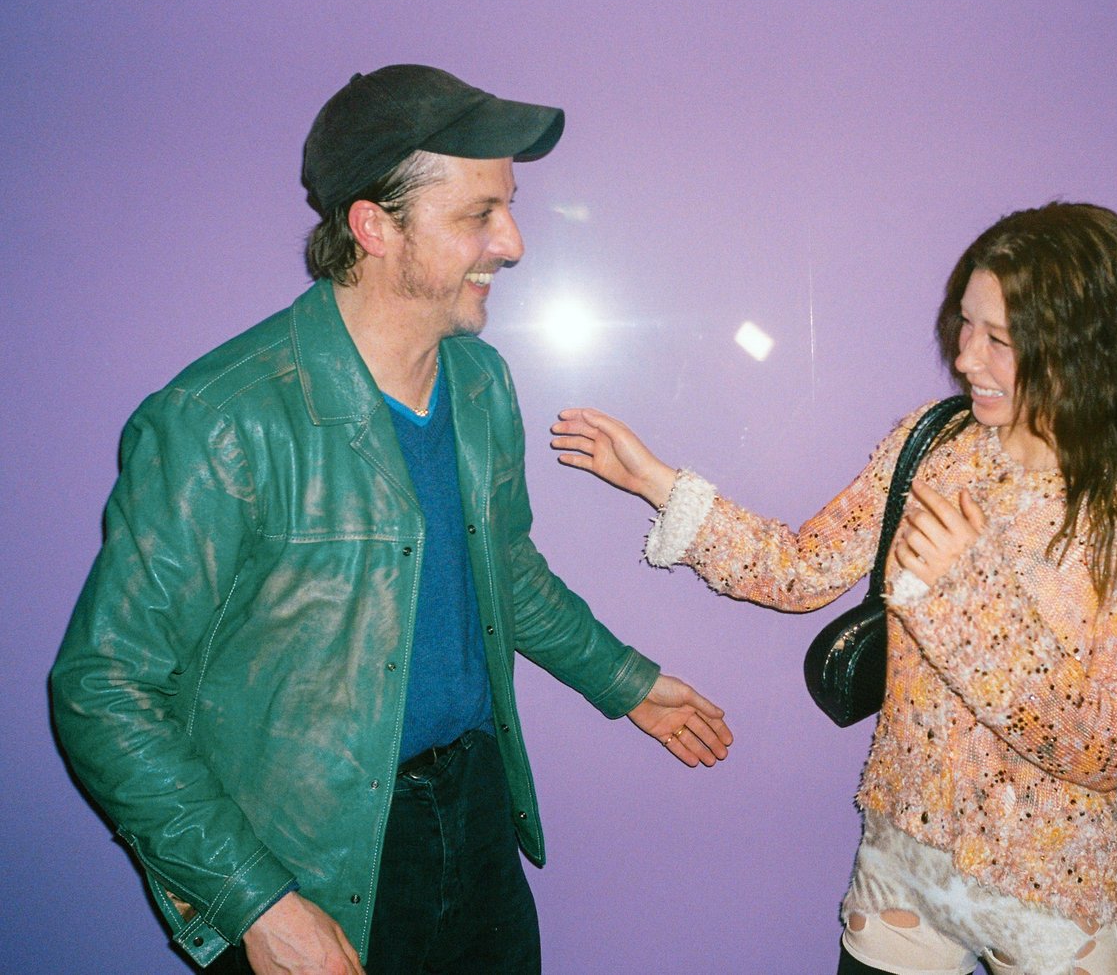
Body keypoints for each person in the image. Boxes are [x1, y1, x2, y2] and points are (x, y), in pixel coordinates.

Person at [50, 64, 733, 975]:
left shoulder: (481, 383)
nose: (513, 243)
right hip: (308, 855)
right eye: (479, 214)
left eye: (509, 208)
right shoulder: (221, 419)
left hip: (475, 806)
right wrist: (255, 902)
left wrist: (626, 682)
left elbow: (504, 569)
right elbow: (103, 688)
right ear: (375, 227)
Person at [551, 202, 1117, 975]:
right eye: (965, 324)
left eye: (999, 339)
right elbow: (801, 569)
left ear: (1084, 349)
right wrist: (656, 481)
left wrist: (967, 593)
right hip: (902, 865)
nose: (966, 358)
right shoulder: (936, 444)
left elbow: (1107, 748)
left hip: (1050, 888)